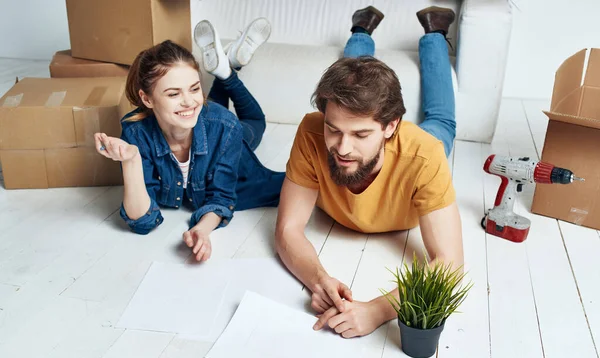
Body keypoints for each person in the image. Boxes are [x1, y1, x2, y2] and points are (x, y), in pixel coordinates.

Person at [275, 6, 464, 338]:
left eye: (361, 135)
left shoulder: (425, 154)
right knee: (352, 75)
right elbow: (288, 228)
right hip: (377, 121)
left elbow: (450, 264)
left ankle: (434, 34)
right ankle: (361, 30)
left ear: (391, 126)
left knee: (441, 122)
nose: (343, 148)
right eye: (334, 130)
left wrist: (377, 311)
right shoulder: (312, 130)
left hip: (421, 142)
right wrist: (318, 280)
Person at [95, 18, 284, 262]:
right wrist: (130, 161)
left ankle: (227, 73)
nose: (188, 100)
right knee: (203, 108)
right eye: (173, 93)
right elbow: (141, 221)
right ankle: (227, 67)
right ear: (148, 99)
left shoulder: (225, 127)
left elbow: (222, 197)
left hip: (224, 131)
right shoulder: (136, 133)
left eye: (195, 88)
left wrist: (203, 229)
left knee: (256, 122)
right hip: (205, 119)